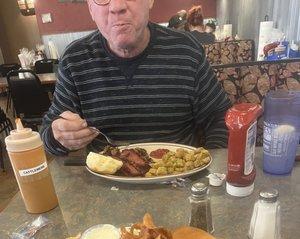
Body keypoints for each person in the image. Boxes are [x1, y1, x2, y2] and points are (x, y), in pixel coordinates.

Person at [41, 0, 230, 156]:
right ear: (91, 8)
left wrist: (206, 166)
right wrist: (59, 136)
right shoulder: (75, 59)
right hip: (104, 188)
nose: (116, 7)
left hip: (179, 182)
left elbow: (220, 117)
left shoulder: (186, 50)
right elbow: (47, 133)